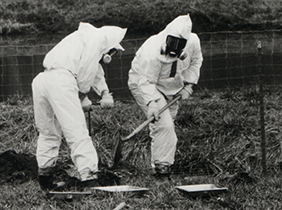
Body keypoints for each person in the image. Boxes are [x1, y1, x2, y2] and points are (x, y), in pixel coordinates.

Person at [32, 22, 127, 191]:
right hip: (61, 81)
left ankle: (45, 179)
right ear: (109, 45)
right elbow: (86, 73)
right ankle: (89, 180)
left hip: (42, 80)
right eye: (112, 52)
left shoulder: (83, 38)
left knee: (48, 132)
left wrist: (105, 92)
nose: (110, 56)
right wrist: (83, 96)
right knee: (77, 132)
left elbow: (95, 70)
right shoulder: (96, 40)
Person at [128, 14, 203, 177]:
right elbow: (146, 81)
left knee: (167, 125)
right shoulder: (151, 49)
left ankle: (158, 164)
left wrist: (189, 85)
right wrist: (152, 104)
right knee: (165, 125)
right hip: (146, 84)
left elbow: (196, 62)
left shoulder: (193, 42)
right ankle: (162, 169)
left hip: (173, 87)